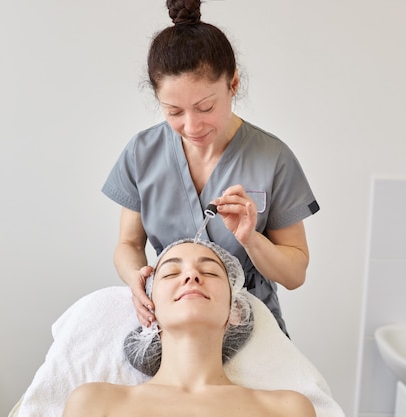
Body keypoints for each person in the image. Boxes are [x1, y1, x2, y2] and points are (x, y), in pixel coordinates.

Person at [101, 0, 319, 335]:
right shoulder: (141, 153)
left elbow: (295, 275)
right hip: (169, 323)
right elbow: (128, 244)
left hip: (249, 327)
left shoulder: (273, 158)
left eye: (205, 107)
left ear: (233, 84)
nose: (191, 126)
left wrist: (250, 239)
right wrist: (136, 278)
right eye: (174, 112)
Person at [61, 239, 316, 417]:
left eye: (211, 272)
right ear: (149, 307)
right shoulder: (93, 403)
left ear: (235, 310)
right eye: (171, 273)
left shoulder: (289, 410)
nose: (191, 276)